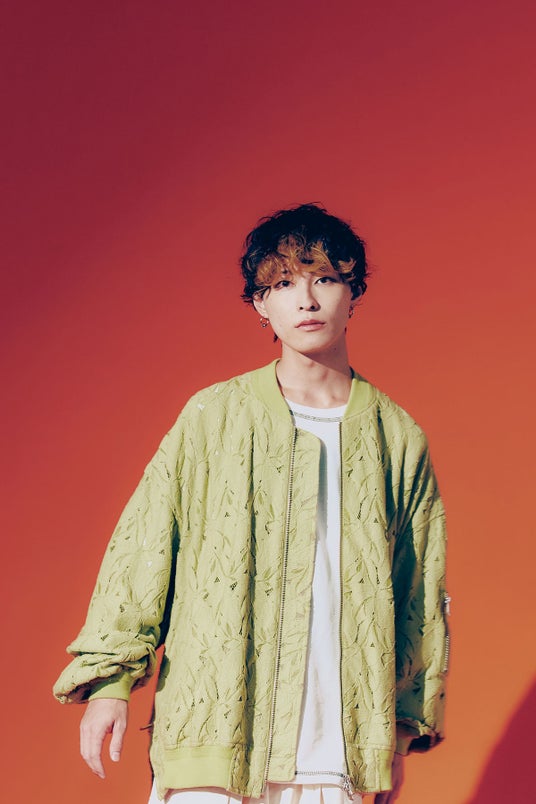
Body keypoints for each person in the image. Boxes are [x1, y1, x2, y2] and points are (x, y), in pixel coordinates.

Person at [54, 203, 449, 804]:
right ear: (261, 304)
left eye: (325, 279)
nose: (306, 301)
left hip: (338, 746)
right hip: (213, 730)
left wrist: (396, 733)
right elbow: (145, 545)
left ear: (353, 293)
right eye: (283, 284)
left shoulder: (397, 438)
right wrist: (110, 682)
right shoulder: (213, 417)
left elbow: (417, 592)